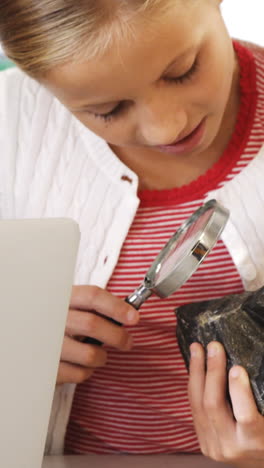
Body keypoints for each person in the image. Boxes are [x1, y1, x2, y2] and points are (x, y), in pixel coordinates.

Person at [0, 0, 264, 465]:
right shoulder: (11, 125)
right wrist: (11, 341)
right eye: (107, 109)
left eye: (182, 70)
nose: (169, 126)